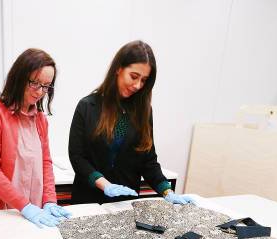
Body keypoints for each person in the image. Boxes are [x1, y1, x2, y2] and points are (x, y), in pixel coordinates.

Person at [68, 40, 194, 205]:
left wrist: (167, 190)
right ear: (119, 68)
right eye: (134, 77)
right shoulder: (88, 106)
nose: (137, 85)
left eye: (144, 80)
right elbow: (78, 156)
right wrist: (104, 184)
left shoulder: (143, 111)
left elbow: (148, 160)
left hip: (126, 203)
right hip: (88, 201)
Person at [0, 48, 71, 227]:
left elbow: (46, 162)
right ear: (18, 78)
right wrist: (25, 206)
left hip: (33, 210)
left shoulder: (40, 119)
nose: (40, 91)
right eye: (35, 83)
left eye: (46, 86)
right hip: (2, 211)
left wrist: (49, 200)